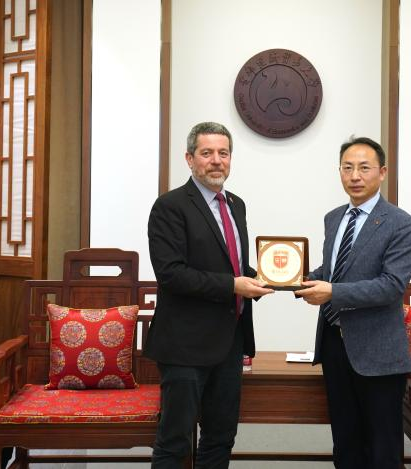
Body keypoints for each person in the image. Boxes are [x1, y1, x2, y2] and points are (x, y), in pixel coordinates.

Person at [144, 122, 273, 469]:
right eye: (207, 153)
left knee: (220, 437)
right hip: (185, 346)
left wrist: (267, 278)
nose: (216, 160)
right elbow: (171, 274)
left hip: (229, 342)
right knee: (175, 441)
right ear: (189, 159)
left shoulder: (236, 204)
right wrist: (234, 285)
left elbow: (233, 264)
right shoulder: (170, 206)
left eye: (223, 153)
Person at [296, 136, 411, 469]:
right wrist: (293, 278)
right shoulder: (334, 218)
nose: (355, 176)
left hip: (378, 351)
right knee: (346, 442)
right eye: (347, 168)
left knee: (382, 449)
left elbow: (391, 286)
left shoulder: (401, 224)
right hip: (334, 344)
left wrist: (332, 293)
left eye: (364, 168)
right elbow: (332, 270)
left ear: (382, 172)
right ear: (339, 172)